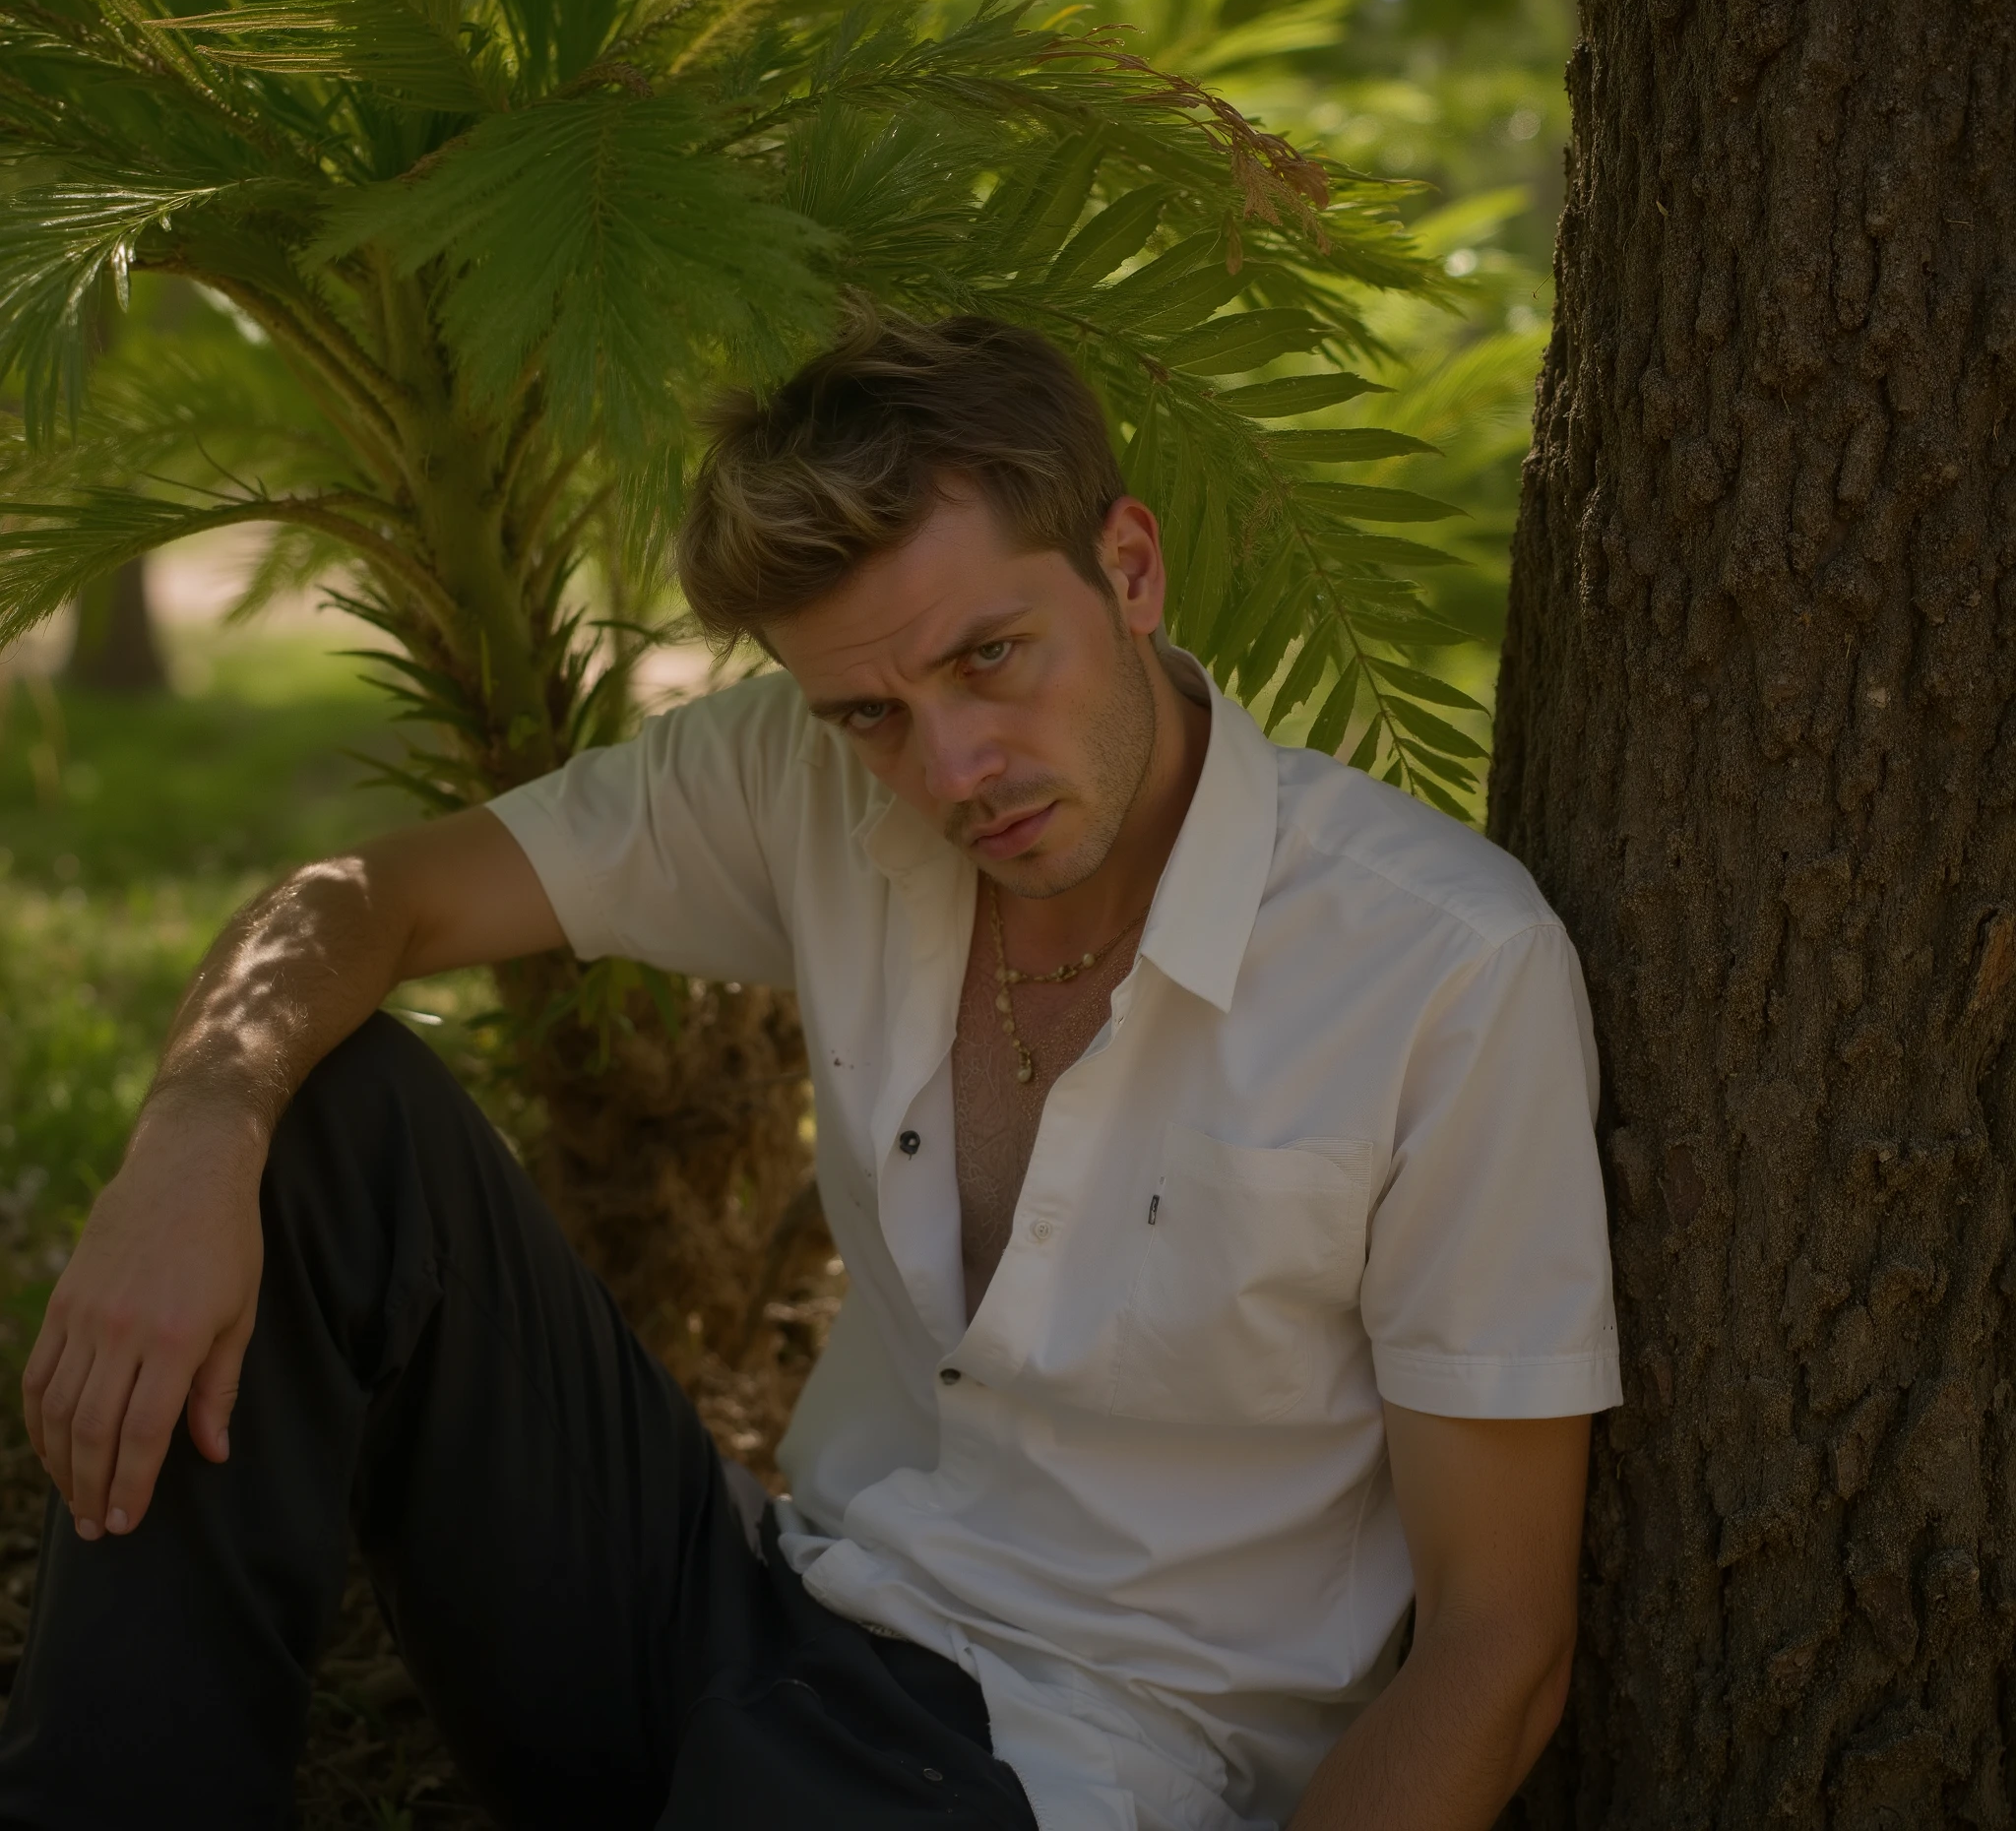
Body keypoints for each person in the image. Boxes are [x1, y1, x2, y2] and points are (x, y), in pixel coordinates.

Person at [0, 311, 1620, 1831]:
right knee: (321, 1116)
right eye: (869, 713)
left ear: (1129, 566)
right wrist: (192, 1140)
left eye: (993, 657)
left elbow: (1499, 1647)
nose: (950, 769)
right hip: (747, 1607)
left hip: (1063, 1765)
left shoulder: (1443, 974)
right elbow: (365, 900)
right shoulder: (811, 776)